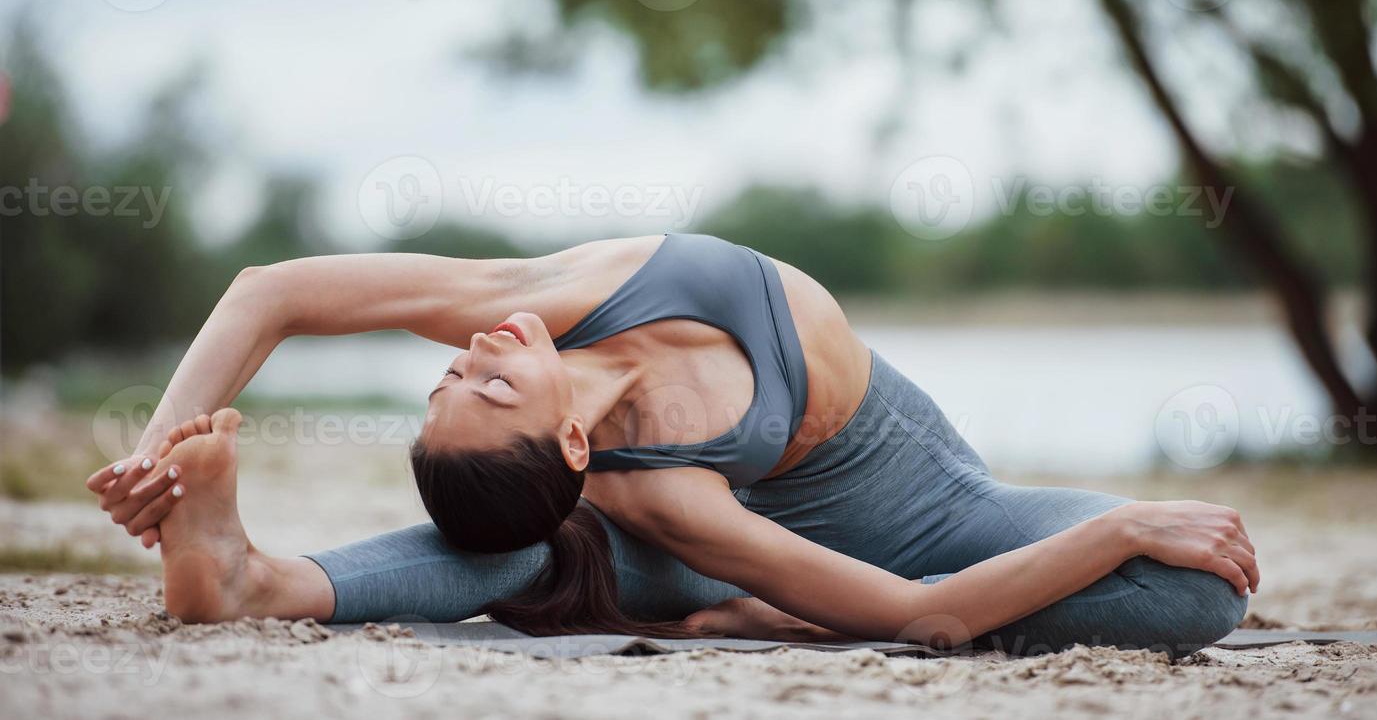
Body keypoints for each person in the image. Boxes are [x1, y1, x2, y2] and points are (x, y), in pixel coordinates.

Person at [87, 234, 1254, 655]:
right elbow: (923, 620)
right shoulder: (662, 501)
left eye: (458, 372)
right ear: (573, 438)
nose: (481, 347)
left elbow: (269, 290)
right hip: (735, 553)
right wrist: (1121, 519)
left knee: (1191, 594)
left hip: (939, 513)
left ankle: (779, 609)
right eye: (487, 381)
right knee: (538, 537)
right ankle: (252, 576)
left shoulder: (546, 292)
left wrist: (148, 455)